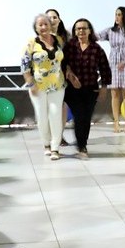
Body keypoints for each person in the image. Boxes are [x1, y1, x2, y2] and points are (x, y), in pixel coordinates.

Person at [63, 19, 112, 159]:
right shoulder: (69, 46)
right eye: (78, 29)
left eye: (84, 28)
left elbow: (105, 69)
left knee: (86, 118)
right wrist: (70, 75)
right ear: (74, 31)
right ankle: (82, 146)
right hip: (72, 89)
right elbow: (62, 63)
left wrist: (104, 87)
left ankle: (82, 144)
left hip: (91, 89)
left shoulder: (97, 49)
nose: (81, 31)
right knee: (79, 116)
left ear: (90, 30)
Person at [23, 14, 67, 160]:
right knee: (42, 116)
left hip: (57, 84)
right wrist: (30, 81)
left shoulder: (58, 40)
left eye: (46, 24)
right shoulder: (31, 43)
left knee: (55, 114)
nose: (43, 27)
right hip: (38, 86)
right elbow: (24, 65)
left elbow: (63, 60)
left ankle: (55, 147)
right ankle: (46, 144)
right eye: (40, 25)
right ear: (35, 28)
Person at [47, 8, 71, 147]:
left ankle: (59, 136)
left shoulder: (66, 36)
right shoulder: (41, 37)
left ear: (59, 19)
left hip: (62, 75)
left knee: (62, 105)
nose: (52, 20)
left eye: (55, 17)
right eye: (49, 17)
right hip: (46, 77)